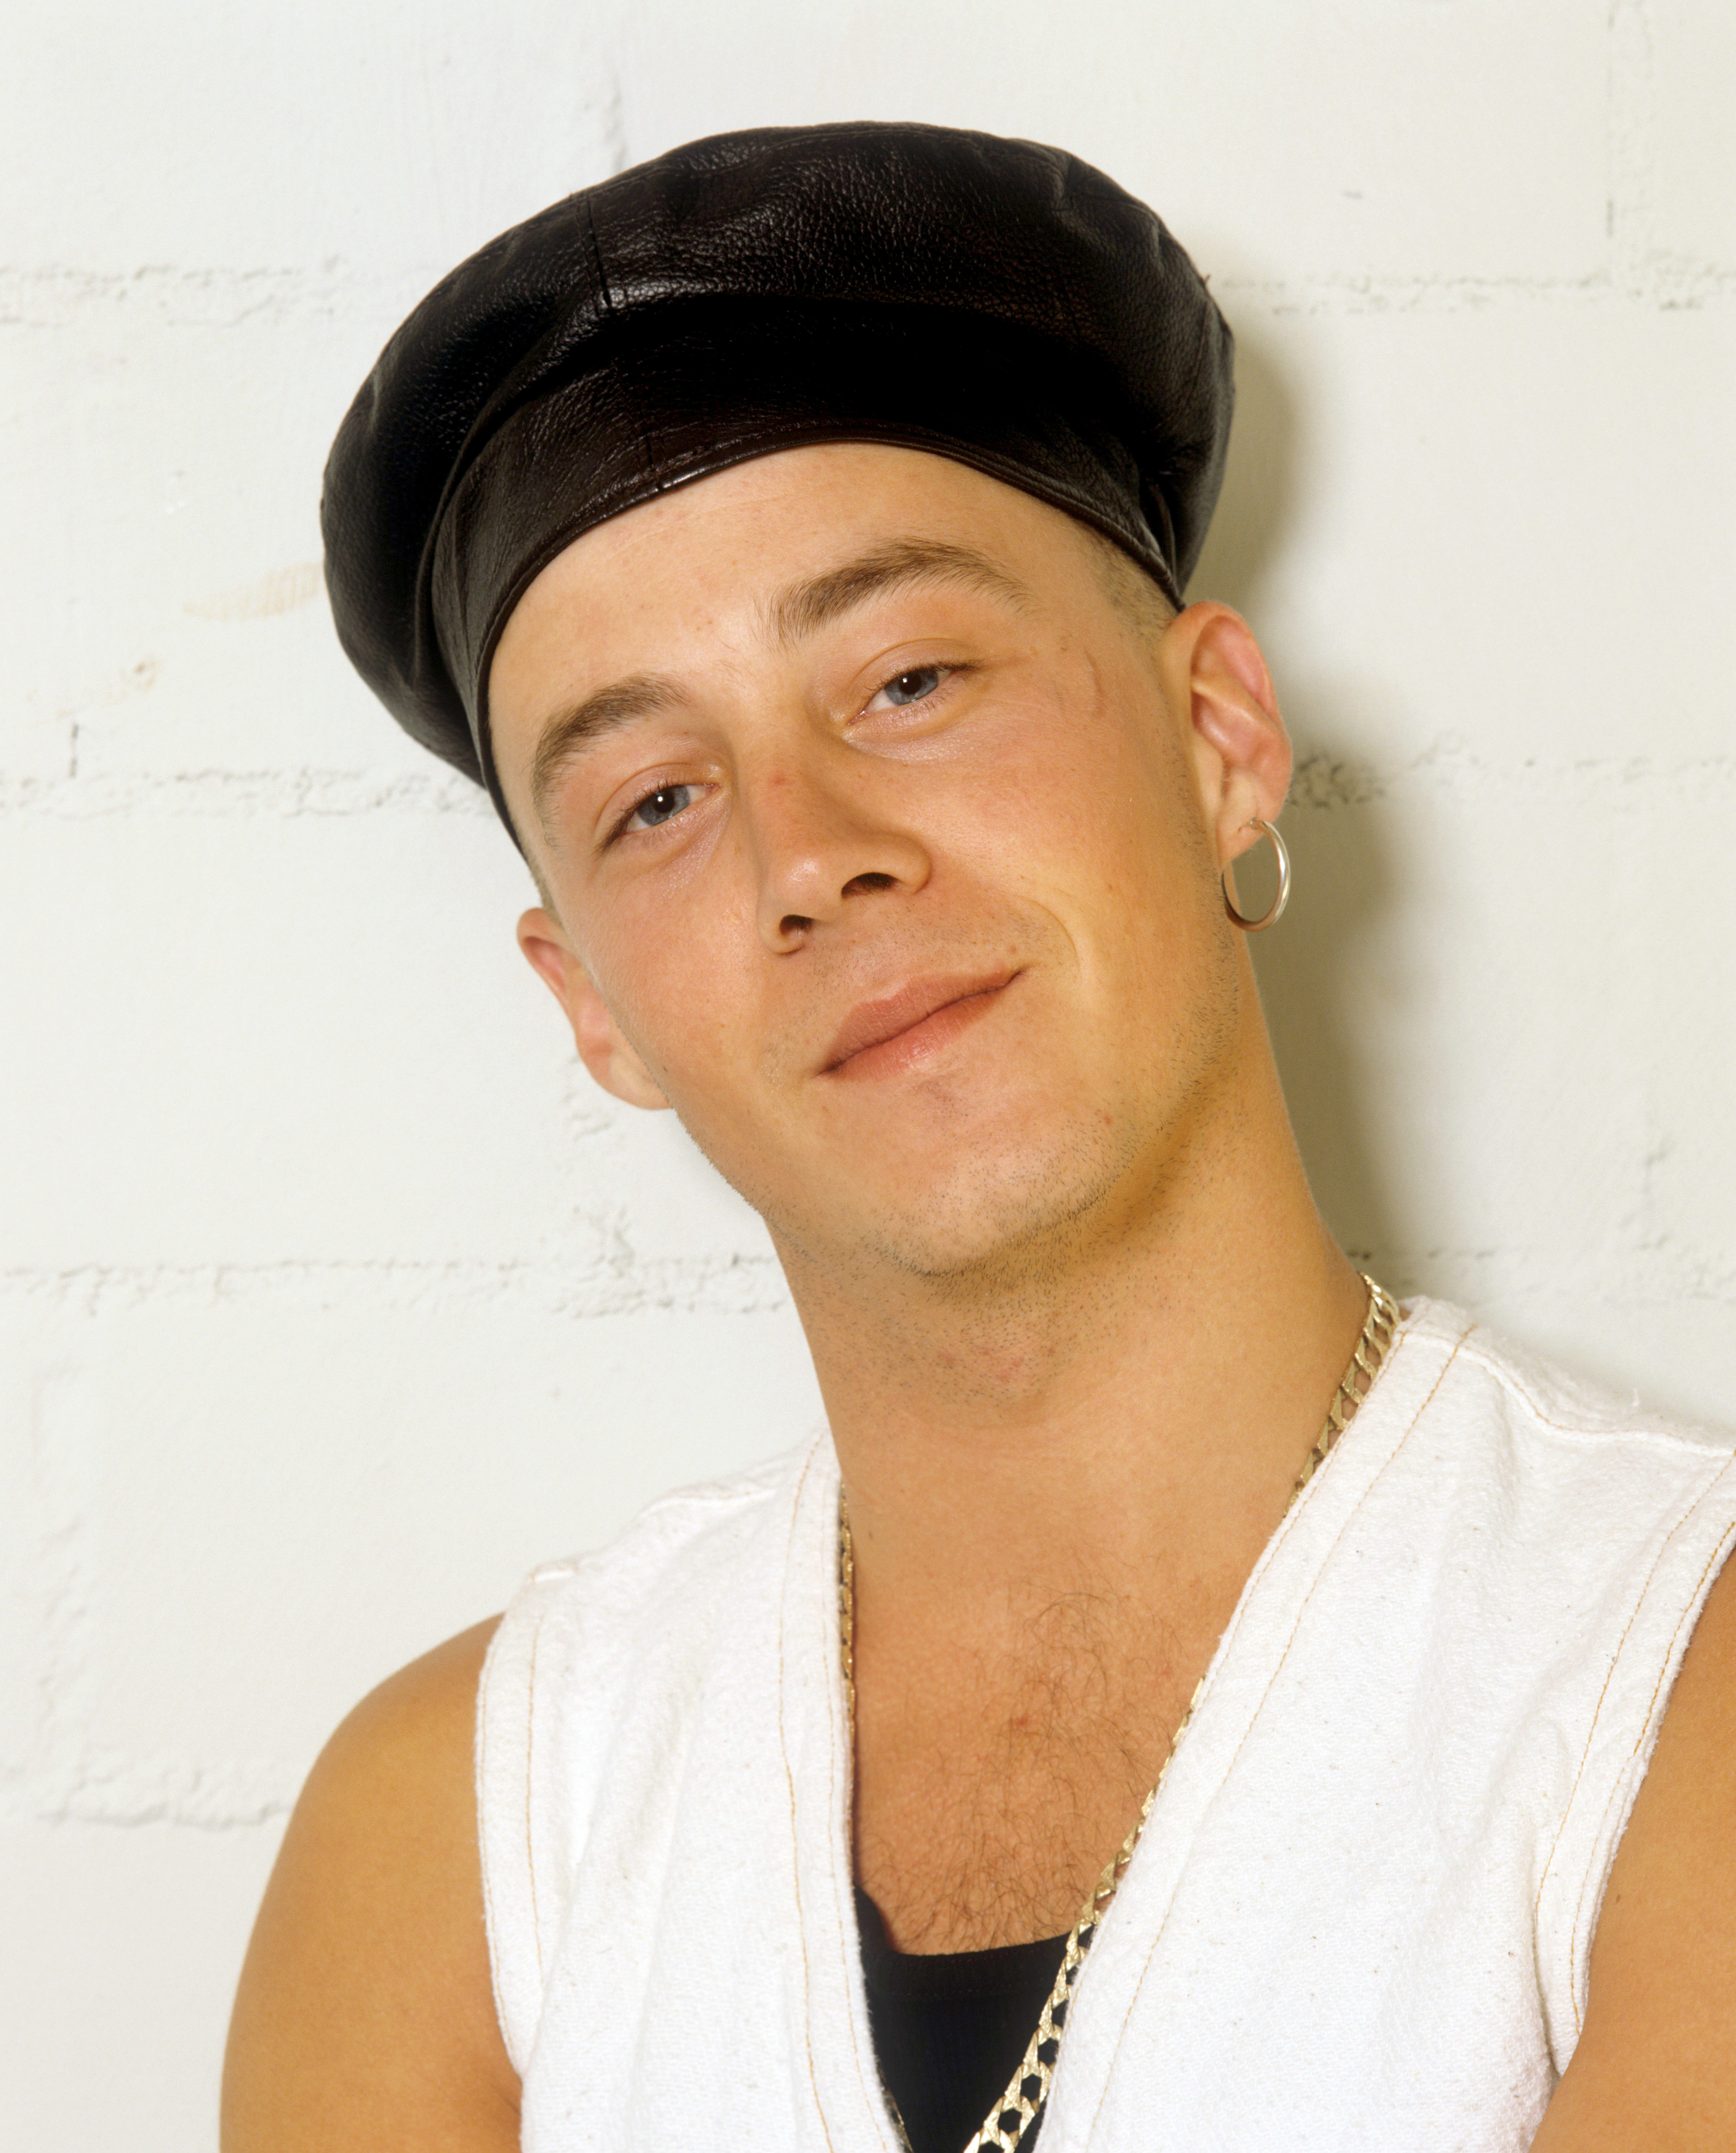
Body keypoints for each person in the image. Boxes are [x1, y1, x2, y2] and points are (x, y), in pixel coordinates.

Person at [221, 123, 1736, 2152]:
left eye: (910, 676)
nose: (813, 853)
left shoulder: (1668, 1686)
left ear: (1219, 740)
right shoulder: (459, 1835)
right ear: (593, 1004)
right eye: (655, 799)